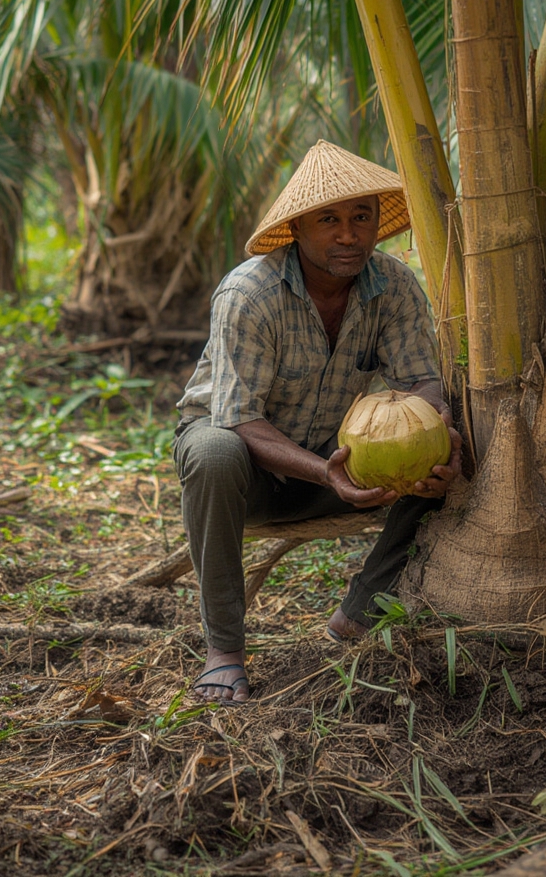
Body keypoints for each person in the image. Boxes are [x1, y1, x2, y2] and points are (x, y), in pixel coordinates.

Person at [173, 140, 461, 702]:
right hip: (243, 469)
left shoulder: (395, 287)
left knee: (450, 444)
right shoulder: (250, 293)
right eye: (329, 220)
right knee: (212, 450)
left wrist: (439, 432)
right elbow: (238, 421)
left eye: (361, 217)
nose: (349, 234)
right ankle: (224, 652)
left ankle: (358, 611)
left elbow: (424, 381)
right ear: (298, 228)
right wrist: (327, 473)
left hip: (336, 464)